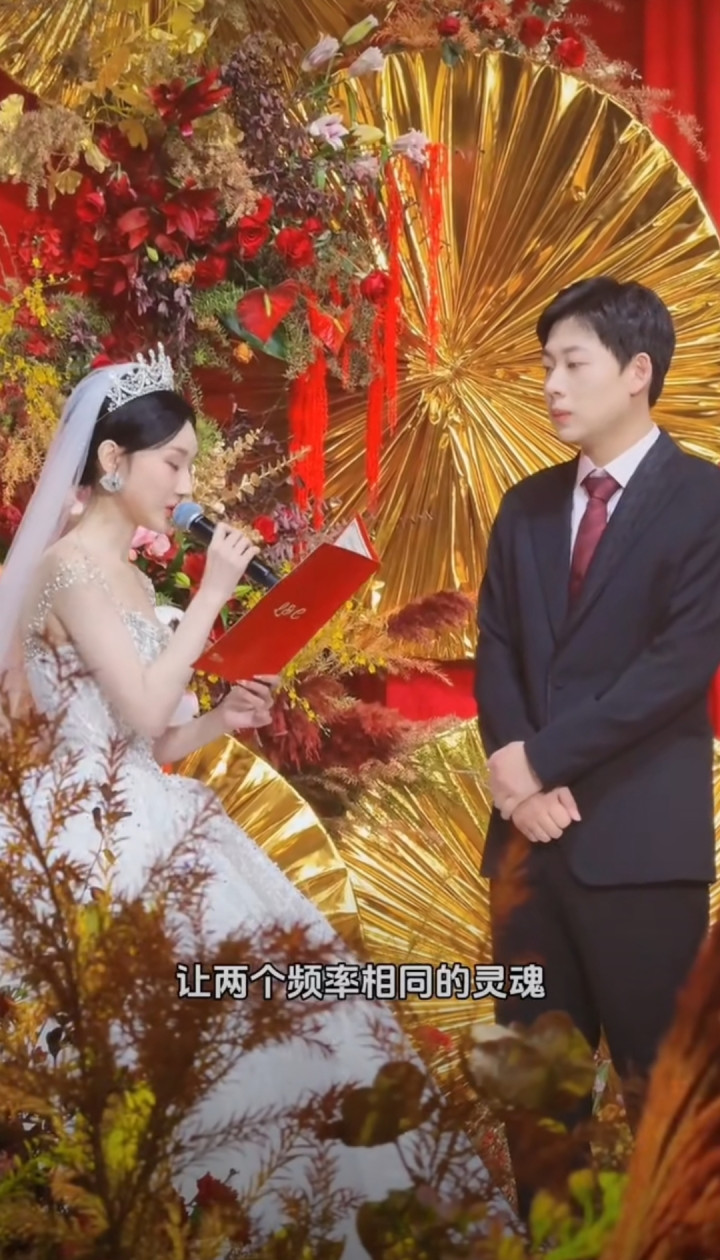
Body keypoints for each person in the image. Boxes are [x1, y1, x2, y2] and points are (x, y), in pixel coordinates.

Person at [0, 348, 512, 1253]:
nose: (186, 486)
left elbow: (158, 741)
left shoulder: (130, 578)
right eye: (174, 464)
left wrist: (223, 718)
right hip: (88, 829)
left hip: (146, 802)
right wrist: (210, 595)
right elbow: (140, 708)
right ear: (113, 460)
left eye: (192, 465)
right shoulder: (68, 568)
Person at [475, 276, 720, 1216]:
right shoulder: (526, 506)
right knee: (538, 1105)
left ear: (637, 372)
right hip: (526, 854)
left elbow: (676, 667)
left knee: (667, 1103)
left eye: (572, 363)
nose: (551, 384)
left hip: (641, 851)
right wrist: (517, 789)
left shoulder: (704, 501)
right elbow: (497, 648)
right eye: (546, 364)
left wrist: (541, 762)